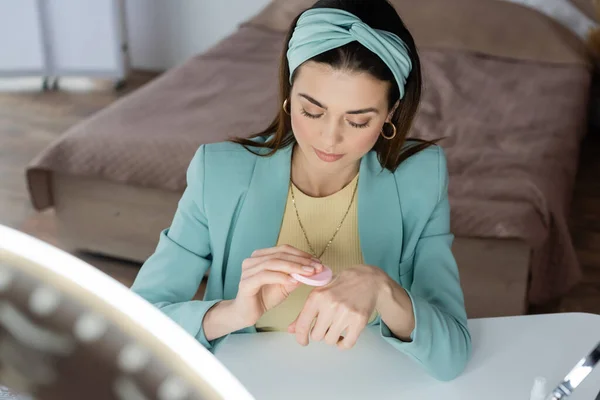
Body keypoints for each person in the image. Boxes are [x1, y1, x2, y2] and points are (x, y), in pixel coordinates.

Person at [130, 0, 472, 382]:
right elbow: (135, 325)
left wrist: (383, 291)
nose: (330, 138)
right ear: (289, 92)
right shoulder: (219, 173)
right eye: (312, 111)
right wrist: (231, 313)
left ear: (391, 113)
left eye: (358, 121)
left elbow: (452, 354)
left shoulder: (420, 177)